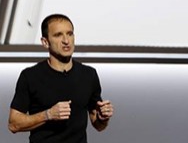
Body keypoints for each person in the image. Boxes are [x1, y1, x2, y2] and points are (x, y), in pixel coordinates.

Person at [8, 14, 114, 142]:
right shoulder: (30, 76)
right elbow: (13, 124)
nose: (66, 40)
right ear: (45, 42)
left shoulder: (88, 74)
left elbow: (98, 125)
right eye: (58, 35)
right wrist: (48, 115)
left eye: (70, 34)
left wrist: (103, 117)